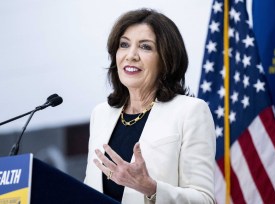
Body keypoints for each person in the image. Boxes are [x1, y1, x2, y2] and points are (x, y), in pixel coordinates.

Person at [84, 8, 216, 204]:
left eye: (145, 47)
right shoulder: (101, 114)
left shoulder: (190, 111)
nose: (131, 55)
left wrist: (151, 188)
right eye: (124, 45)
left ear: (166, 59)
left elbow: (204, 199)